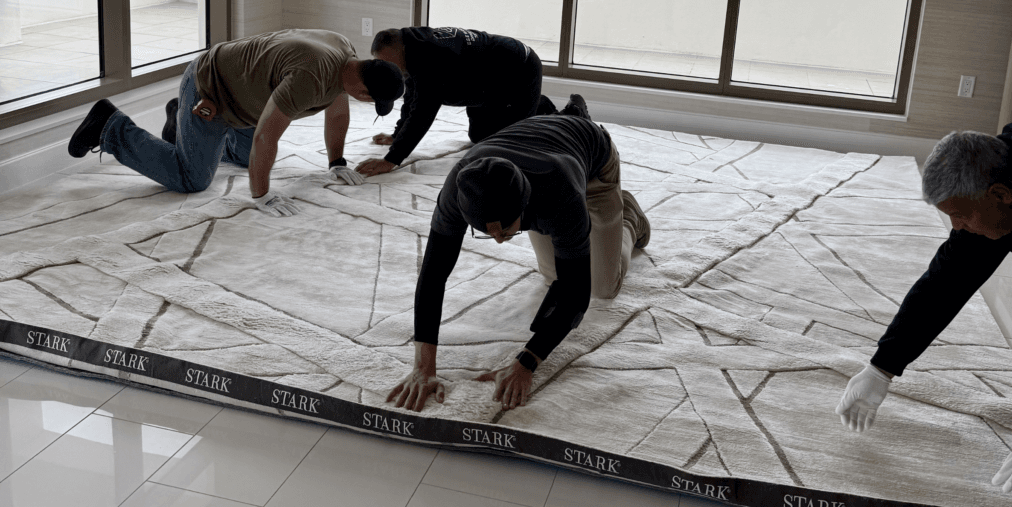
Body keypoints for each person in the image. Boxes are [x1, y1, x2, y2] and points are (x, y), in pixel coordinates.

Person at [386, 102, 650, 413]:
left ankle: (628, 216)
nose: (498, 239)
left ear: (524, 207)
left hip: (592, 161)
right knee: (553, 275)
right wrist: (423, 367)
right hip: (533, 145)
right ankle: (567, 119)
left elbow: (576, 295)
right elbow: (433, 275)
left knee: (602, 286)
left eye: (506, 230)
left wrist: (526, 362)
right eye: (486, 232)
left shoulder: (558, 194)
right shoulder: (459, 190)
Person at [833, 124, 1012, 495]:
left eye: (961, 215)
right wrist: (881, 366)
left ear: (1000, 195)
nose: (957, 227)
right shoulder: (997, 184)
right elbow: (946, 282)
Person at [67, 29, 405, 216]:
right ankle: (110, 126)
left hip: (243, 99)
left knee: (247, 160)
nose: (369, 104)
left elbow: (337, 111)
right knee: (192, 178)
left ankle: (179, 123)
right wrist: (261, 195)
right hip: (210, 91)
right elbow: (265, 140)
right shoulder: (310, 77)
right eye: (373, 101)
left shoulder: (346, 55)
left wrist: (336, 162)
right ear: (363, 89)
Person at [356, 26, 572, 177]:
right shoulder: (411, 46)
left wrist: (391, 160)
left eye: (387, 63)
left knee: (513, 145)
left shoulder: (428, 58)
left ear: (400, 49)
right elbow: (412, 98)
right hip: (484, 84)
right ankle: (533, 104)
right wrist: (397, 135)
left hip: (519, 69)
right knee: (480, 139)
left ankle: (568, 114)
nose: (388, 70)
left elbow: (423, 112)